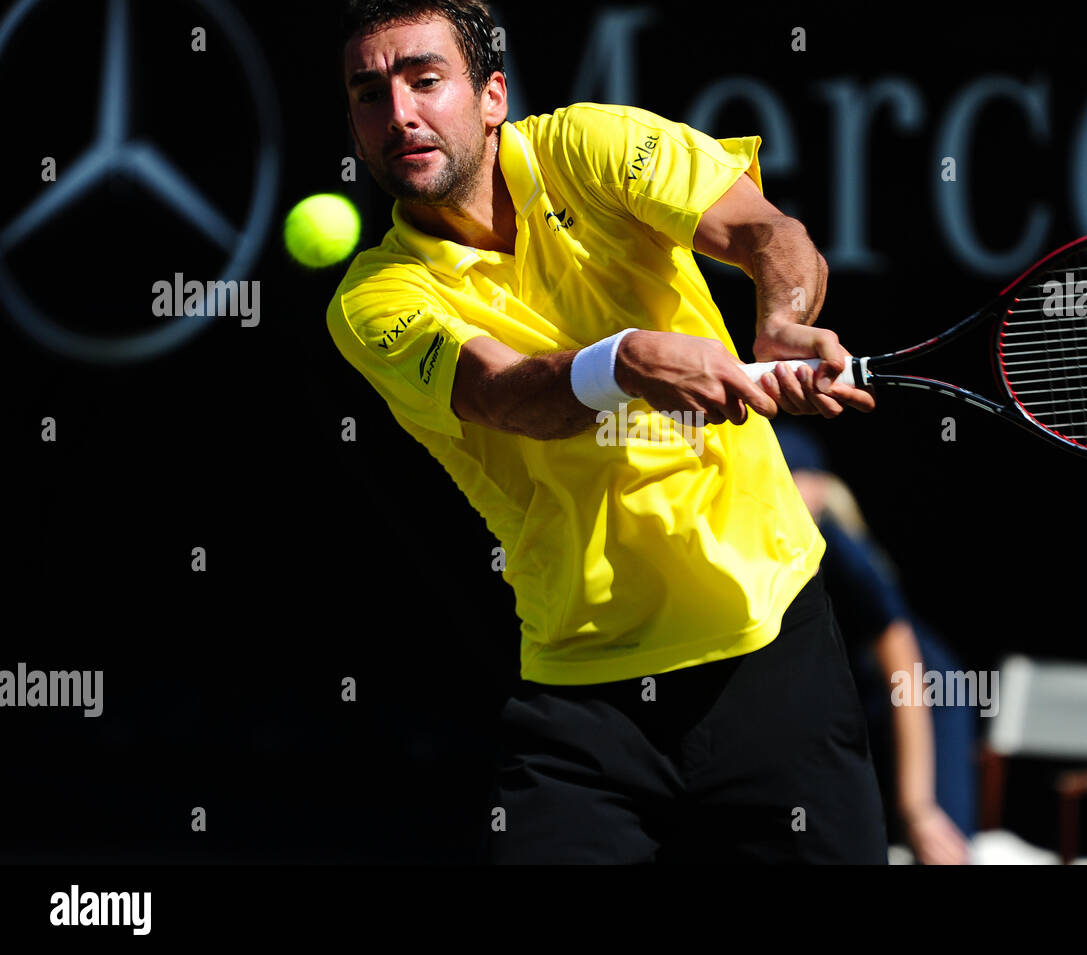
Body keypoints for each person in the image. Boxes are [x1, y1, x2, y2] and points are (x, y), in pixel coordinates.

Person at [327, 0, 884, 863]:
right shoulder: (373, 299)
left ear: (491, 97)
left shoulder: (589, 148)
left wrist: (779, 322)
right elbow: (506, 392)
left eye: (426, 80)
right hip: (581, 704)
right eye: (370, 94)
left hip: (769, 649)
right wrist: (627, 359)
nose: (399, 112)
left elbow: (766, 232)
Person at [774, 423, 976, 865]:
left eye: (786, 478)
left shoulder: (837, 549)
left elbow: (902, 659)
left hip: (921, 696)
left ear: (819, 486)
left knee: (938, 845)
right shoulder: (767, 550)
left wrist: (919, 808)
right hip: (855, 709)